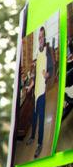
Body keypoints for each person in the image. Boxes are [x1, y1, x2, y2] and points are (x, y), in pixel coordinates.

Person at [28, 26, 53, 159]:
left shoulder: (47, 51)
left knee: (41, 118)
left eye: (42, 36)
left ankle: (40, 144)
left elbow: (51, 68)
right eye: (39, 37)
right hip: (35, 92)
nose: (41, 39)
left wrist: (47, 74)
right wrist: (32, 83)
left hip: (42, 92)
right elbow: (35, 72)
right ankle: (32, 137)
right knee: (34, 117)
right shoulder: (37, 52)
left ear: (45, 37)